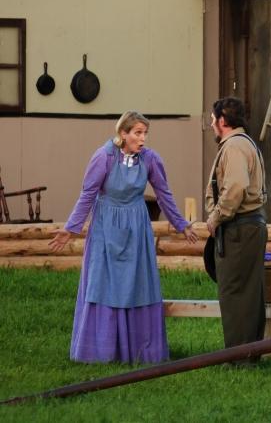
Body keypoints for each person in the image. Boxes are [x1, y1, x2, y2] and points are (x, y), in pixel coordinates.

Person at [49, 111, 198, 364]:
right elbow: (87, 194)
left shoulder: (150, 159)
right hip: (106, 225)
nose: (142, 138)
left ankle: (141, 350)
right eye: (137, 133)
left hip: (136, 227)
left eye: (145, 133)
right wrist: (71, 228)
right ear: (123, 134)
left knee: (137, 282)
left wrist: (181, 223)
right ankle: (101, 350)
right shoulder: (104, 157)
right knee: (103, 282)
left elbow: (164, 194)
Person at [205, 97, 268, 359]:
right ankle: (249, 352)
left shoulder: (234, 147)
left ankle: (238, 357)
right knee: (248, 293)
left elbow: (236, 187)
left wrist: (216, 218)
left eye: (212, 120)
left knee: (234, 292)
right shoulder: (244, 143)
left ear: (222, 121)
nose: (211, 125)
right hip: (249, 226)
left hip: (239, 228)